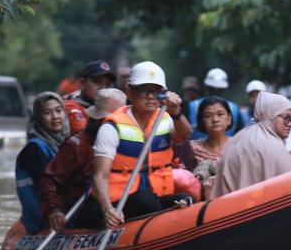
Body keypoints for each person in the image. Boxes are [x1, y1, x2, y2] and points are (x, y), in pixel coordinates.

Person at [91, 61, 193, 228]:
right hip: (118, 201)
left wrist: (176, 112)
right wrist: (107, 208)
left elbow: (184, 135)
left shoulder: (166, 119)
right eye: (144, 91)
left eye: (157, 92)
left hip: (155, 196)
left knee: (186, 199)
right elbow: (100, 176)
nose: (151, 97)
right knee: (144, 199)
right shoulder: (111, 127)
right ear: (130, 92)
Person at [40, 89, 127, 231]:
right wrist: (54, 209)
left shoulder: (128, 142)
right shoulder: (76, 145)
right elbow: (49, 181)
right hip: (86, 208)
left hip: (120, 200)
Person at [212, 92, 291, 196]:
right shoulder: (272, 144)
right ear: (271, 115)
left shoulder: (239, 137)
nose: (290, 124)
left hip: (227, 209)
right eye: (286, 118)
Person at [15, 92, 70, 234]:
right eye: (47, 113)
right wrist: (54, 210)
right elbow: (43, 187)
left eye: (59, 111)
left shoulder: (67, 143)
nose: (55, 117)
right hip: (44, 220)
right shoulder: (34, 148)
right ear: (39, 118)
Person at [187, 68, 243, 139]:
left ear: (206, 87)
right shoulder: (234, 108)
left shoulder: (192, 106)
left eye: (220, 114)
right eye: (208, 115)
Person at [65, 60, 116, 135]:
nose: (102, 88)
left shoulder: (111, 108)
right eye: (97, 82)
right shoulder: (70, 106)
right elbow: (87, 135)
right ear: (82, 83)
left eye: (108, 85)